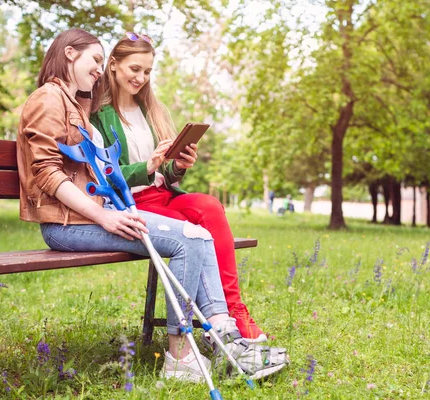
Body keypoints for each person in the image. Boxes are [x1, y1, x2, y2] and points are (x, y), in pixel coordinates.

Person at [16, 28, 287, 382]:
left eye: (101, 62)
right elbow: (46, 174)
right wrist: (106, 215)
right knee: (190, 237)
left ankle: (227, 336)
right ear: (69, 54)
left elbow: (92, 170)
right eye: (96, 60)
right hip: (70, 224)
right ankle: (180, 354)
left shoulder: (73, 104)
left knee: (198, 232)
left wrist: (169, 168)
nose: (98, 70)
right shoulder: (49, 99)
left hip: (94, 215)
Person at [90, 33, 267, 343]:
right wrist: (146, 167)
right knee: (193, 233)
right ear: (114, 65)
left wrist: (178, 166)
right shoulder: (98, 116)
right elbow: (105, 176)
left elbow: (166, 175)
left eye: (147, 71)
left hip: (163, 196)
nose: (141, 78)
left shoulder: (153, 111)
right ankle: (216, 322)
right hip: (131, 204)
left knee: (209, 206)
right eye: (135, 69)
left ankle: (235, 309)